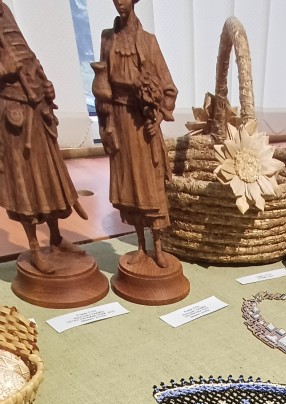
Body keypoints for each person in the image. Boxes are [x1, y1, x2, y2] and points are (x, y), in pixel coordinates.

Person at [0, 1, 86, 274]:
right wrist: (4, 69)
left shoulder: (4, 10)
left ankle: (56, 237)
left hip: (35, 108)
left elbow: (28, 56)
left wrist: (45, 84)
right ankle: (34, 247)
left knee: (48, 177)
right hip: (12, 113)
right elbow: (10, 64)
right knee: (25, 182)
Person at [93, 0, 177, 268]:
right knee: (130, 184)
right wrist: (106, 122)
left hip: (143, 123)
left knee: (151, 183)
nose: (120, 2)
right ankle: (140, 246)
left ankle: (158, 247)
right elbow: (102, 82)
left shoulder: (148, 41)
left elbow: (168, 88)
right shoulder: (108, 38)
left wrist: (159, 117)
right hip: (119, 121)